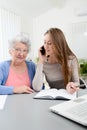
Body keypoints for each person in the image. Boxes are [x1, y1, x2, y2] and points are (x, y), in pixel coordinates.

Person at [32, 28, 80, 94]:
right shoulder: (43, 62)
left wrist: (72, 86)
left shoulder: (71, 59)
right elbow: (37, 88)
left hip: (70, 95)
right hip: (54, 97)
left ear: (58, 44)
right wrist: (41, 61)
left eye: (49, 43)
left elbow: (77, 82)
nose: (45, 46)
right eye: (45, 42)